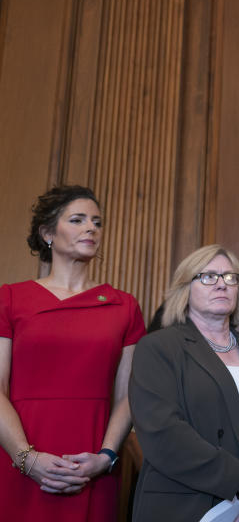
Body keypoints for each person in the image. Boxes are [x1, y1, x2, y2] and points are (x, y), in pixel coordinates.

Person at [0, 185, 145, 521]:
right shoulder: (9, 298)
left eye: (97, 222)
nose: (91, 228)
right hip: (17, 452)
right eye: (78, 220)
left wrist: (106, 456)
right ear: (48, 233)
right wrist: (26, 457)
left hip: (91, 463)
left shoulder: (125, 306)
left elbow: (128, 396)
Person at [128, 245, 239, 522]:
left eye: (230, 278)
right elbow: (163, 433)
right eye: (208, 276)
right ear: (185, 288)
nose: (221, 284)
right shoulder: (158, 347)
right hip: (184, 505)